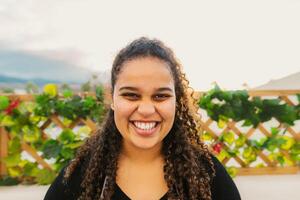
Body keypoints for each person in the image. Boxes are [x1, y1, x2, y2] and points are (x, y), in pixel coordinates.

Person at [44, 37, 241, 200]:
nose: (146, 110)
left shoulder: (208, 174)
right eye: (131, 95)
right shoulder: (79, 176)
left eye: (160, 96)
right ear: (112, 99)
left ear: (176, 101)